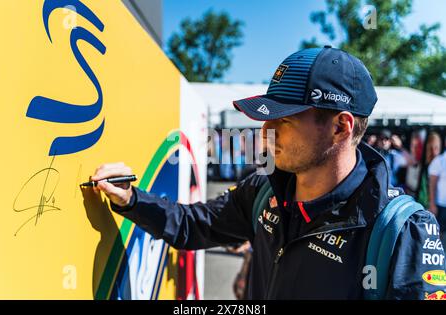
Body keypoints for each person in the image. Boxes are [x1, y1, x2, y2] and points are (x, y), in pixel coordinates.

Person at [91, 47, 445, 299]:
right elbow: (190, 225)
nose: (265, 132)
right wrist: (132, 199)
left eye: (284, 120)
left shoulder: (403, 231)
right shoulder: (263, 191)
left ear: (340, 127)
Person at [428, 137, 446, 245]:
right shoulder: (439, 161)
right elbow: (432, 184)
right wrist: (432, 204)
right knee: (439, 236)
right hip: (441, 205)